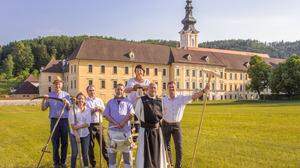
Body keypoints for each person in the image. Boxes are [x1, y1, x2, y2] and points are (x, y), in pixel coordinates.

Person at [161, 81, 210, 168]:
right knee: (165, 146)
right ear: (167, 89)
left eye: (173, 87)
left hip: (176, 125)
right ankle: (169, 164)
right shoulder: (163, 99)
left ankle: (178, 166)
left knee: (179, 147)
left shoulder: (181, 98)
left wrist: (204, 91)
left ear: (176, 88)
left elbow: (194, 96)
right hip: (165, 124)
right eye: (170, 87)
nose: (171, 88)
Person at [135, 83, 168, 168]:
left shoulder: (160, 101)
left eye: (154, 88)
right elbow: (137, 114)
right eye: (151, 88)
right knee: (144, 152)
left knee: (157, 151)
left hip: (157, 131)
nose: (153, 89)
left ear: (156, 89)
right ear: (148, 89)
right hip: (145, 130)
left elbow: (163, 114)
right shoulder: (141, 100)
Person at [41, 76, 71, 168]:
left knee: (65, 142)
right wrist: (44, 99)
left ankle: (63, 162)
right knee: (55, 142)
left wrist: (67, 103)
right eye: (56, 83)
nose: (57, 85)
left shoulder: (66, 95)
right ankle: (56, 163)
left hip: (64, 121)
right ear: (54, 85)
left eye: (59, 83)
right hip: (54, 121)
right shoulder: (50, 95)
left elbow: (69, 108)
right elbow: (43, 108)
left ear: (62, 84)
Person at [103, 83, 135, 168]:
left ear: (123, 90)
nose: (119, 91)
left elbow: (131, 114)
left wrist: (123, 123)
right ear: (115, 90)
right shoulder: (110, 102)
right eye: (118, 89)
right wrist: (115, 123)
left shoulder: (128, 102)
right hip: (113, 132)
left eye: (121, 89)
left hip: (125, 132)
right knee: (112, 154)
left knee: (127, 154)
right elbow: (106, 115)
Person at [86, 85, 109, 167]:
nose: (92, 92)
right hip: (90, 125)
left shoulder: (99, 100)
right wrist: (93, 110)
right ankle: (93, 164)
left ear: (95, 91)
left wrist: (100, 109)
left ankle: (109, 162)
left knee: (104, 144)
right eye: (90, 90)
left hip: (99, 125)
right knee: (90, 146)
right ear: (87, 92)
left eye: (93, 90)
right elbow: (85, 114)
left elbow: (105, 112)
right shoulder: (85, 101)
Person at [125, 64, 150, 134]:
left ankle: (140, 135)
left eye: (141, 70)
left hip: (143, 106)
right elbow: (126, 90)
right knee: (130, 123)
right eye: (137, 70)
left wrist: (144, 90)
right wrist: (134, 88)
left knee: (140, 123)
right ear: (135, 72)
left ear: (143, 72)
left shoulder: (147, 82)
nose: (139, 72)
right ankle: (131, 137)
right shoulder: (131, 80)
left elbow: (150, 92)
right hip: (132, 105)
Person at [69, 92, 91, 168]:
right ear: (77, 100)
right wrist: (76, 135)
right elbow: (72, 124)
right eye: (79, 98)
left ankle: (86, 166)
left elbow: (88, 123)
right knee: (74, 153)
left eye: (82, 98)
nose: (81, 100)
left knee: (85, 153)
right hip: (74, 135)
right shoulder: (73, 109)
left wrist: (77, 126)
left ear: (85, 100)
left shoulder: (88, 110)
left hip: (85, 134)